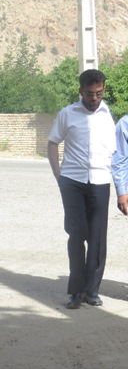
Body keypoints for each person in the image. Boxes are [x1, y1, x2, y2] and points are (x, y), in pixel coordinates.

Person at [48, 69, 116, 309]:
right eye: (89, 94)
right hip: (72, 182)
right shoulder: (67, 114)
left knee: (97, 238)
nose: (94, 98)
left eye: (99, 93)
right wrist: (59, 175)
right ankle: (76, 292)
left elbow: (114, 151)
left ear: (103, 90)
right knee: (77, 235)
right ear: (80, 91)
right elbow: (53, 143)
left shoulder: (107, 116)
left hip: (100, 181)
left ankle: (92, 291)